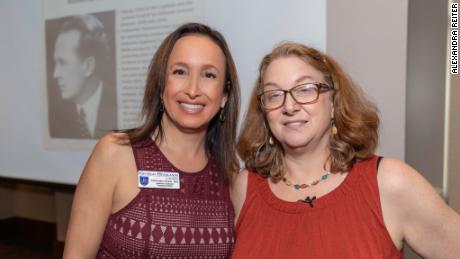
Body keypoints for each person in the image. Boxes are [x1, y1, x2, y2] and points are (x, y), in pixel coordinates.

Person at [231, 42, 460, 258]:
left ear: (333, 104)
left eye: (306, 89)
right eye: (274, 95)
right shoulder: (244, 188)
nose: (289, 106)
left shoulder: (389, 183)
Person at [63, 23, 240, 258]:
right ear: (160, 85)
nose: (193, 89)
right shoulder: (116, 153)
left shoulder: (230, 174)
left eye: (209, 75)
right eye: (180, 71)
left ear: (225, 96)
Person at [50, 14, 116, 139]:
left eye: (62, 63)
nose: (55, 74)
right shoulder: (54, 114)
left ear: (88, 66)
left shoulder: (118, 104)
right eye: (56, 63)